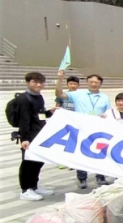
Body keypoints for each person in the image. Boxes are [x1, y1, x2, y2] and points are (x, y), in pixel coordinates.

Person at [55, 70, 111, 189]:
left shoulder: (105, 97)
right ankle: (82, 178)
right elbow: (59, 94)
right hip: (81, 129)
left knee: (99, 153)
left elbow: (108, 112)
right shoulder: (77, 94)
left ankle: (100, 177)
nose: (93, 84)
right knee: (80, 154)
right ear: (87, 82)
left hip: (98, 130)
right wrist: (60, 79)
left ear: (100, 84)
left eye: (96, 82)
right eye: (91, 82)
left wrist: (106, 117)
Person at [16, 72, 54, 201]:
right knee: (28, 162)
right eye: (35, 82)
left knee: (38, 161)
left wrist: (49, 112)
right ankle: (25, 190)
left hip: (39, 134)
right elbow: (24, 120)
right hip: (29, 136)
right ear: (28, 82)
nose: (38, 85)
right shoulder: (23, 99)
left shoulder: (38, 97)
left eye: (41, 82)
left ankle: (34, 186)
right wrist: (24, 138)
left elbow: (39, 115)